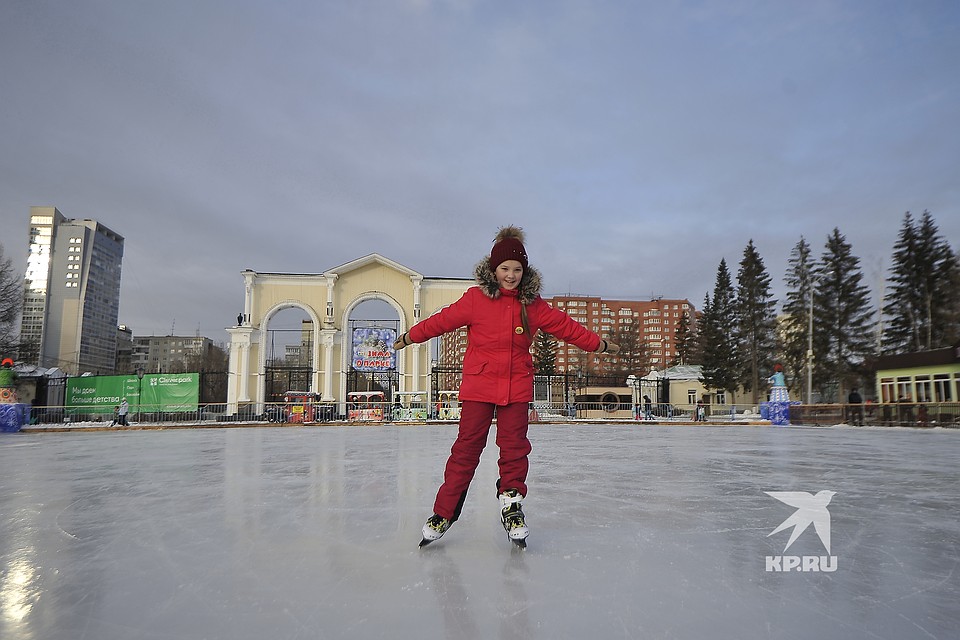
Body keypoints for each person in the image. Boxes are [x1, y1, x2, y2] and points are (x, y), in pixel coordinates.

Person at [394, 226, 620, 548]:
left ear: (524, 271)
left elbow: (566, 327)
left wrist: (598, 345)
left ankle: (512, 506)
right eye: (504, 269)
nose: (511, 275)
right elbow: (440, 321)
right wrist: (410, 337)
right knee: (465, 450)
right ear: (493, 269)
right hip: (478, 387)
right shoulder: (475, 300)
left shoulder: (534, 306)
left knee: (514, 450)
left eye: (517, 269)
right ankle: (443, 513)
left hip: (516, 388)